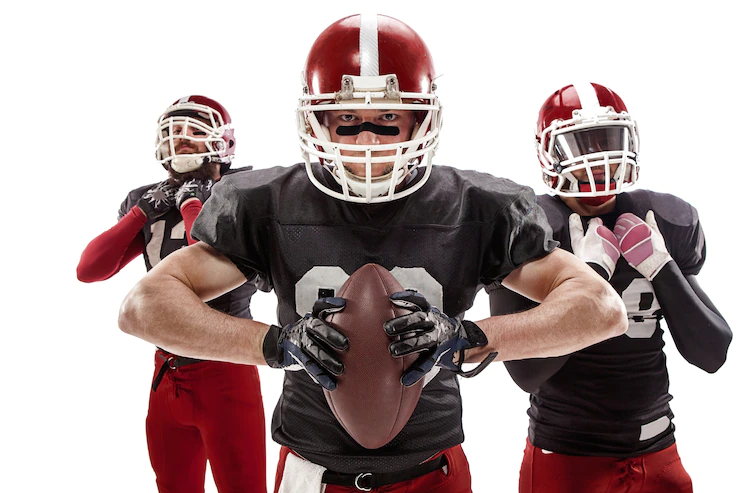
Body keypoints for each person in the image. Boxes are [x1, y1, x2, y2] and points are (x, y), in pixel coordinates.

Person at [118, 16, 627, 493]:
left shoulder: (479, 206)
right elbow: (143, 307)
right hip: (310, 466)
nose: (366, 138)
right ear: (316, 122)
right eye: (346, 118)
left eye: (387, 117)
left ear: (421, 120)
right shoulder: (265, 202)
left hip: (434, 465)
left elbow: (601, 308)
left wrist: (467, 338)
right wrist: (275, 345)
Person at [488, 82, 733, 493]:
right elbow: (526, 373)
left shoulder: (660, 221)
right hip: (568, 458)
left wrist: (662, 266)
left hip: (660, 452)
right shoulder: (528, 231)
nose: (597, 163)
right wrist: (589, 281)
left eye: (606, 143)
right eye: (581, 148)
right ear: (551, 154)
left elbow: (713, 352)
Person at [77, 95, 267, 493]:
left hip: (227, 368)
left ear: (222, 141)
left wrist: (194, 205)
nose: (181, 139)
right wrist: (141, 213)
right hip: (167, 372)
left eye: (194, 131)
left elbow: (213, 258)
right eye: (174, 132)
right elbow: (90, 270)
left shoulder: (245, 193)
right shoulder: (149, 199)